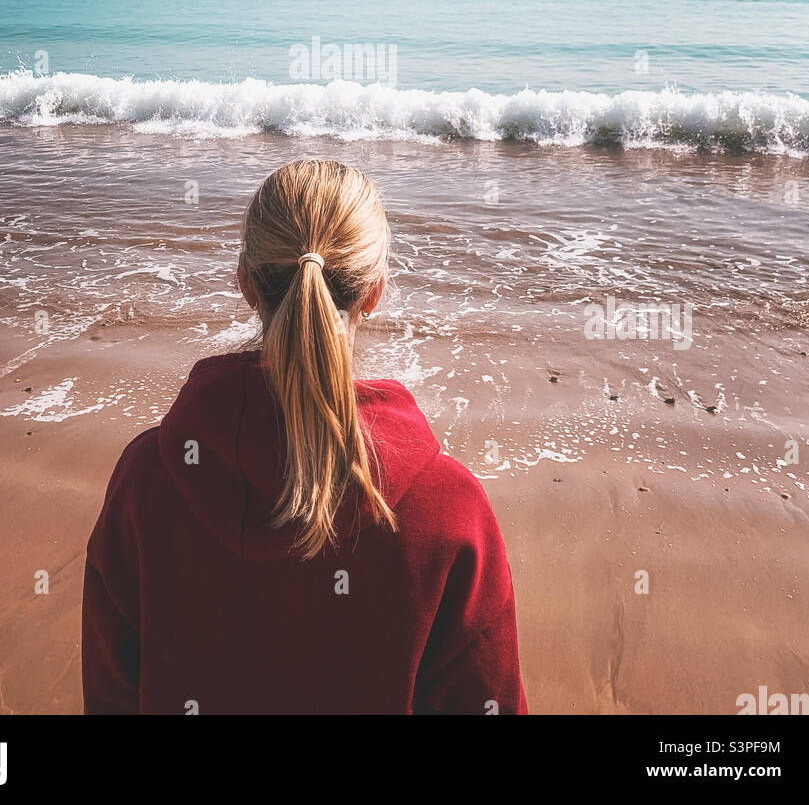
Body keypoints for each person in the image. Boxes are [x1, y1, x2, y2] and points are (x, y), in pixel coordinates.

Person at [82, 158, 527, 714]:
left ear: (246, 282)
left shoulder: (147, 481)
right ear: (375, 291)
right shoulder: (451, 508)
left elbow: (111, 697)